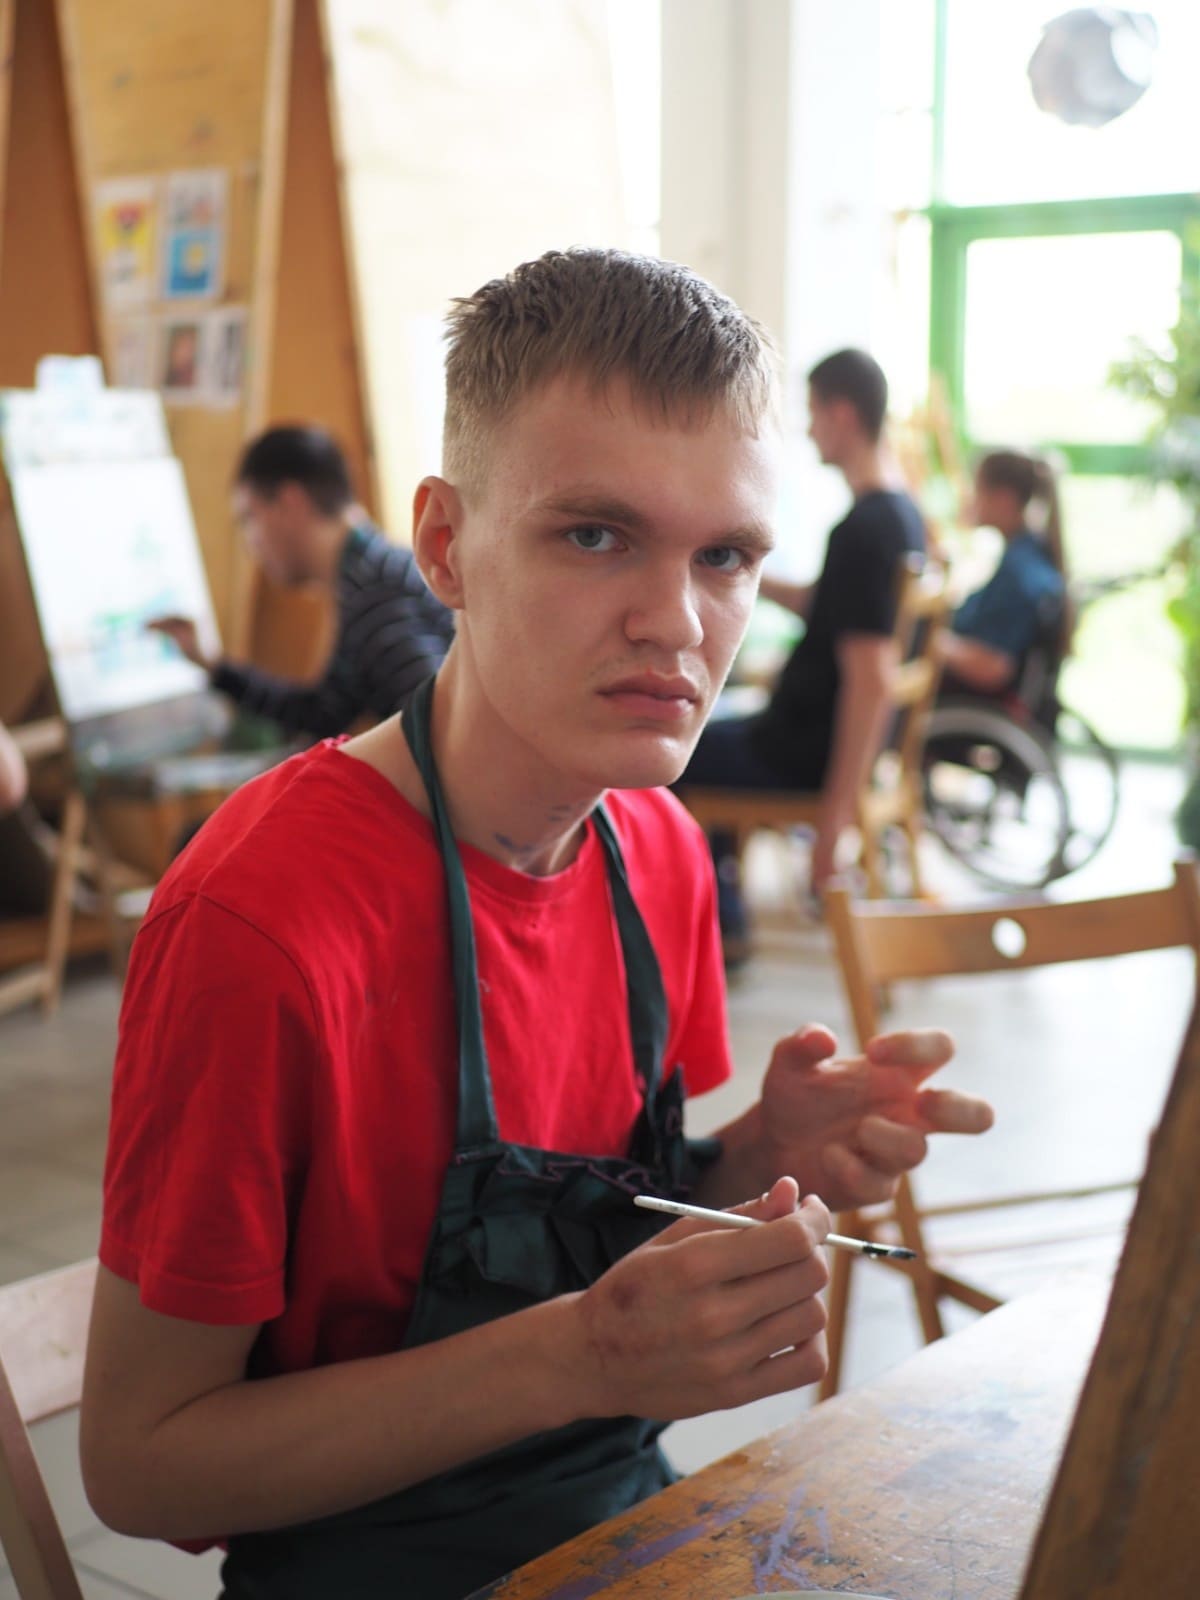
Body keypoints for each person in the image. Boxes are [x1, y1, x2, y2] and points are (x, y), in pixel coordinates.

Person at [81, 250, 993, 1600]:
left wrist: (756, 1156)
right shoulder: (259, 922)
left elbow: (593, 1222)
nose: (677, 623)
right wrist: (579, 1356)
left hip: (625, 1528)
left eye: (727, 556)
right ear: (445, 545)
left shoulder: (659, 854)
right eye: (596, 535)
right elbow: (141, 1465)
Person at [678, 348, 926, 947]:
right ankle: (721, 900)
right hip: (804, 737)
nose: (809, 429)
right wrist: (741, 571)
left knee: (671, 750)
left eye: (812, 413)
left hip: (798, 753)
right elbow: (837, 606)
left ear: (842, 415)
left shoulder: (862, 532)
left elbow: (871, 682)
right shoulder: (901, 515)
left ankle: (717, 920)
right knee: (708, 726)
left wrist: (832, 826)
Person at [147, 425, 456, 737]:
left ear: (289, 502)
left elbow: (437, 730)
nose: (249, 544)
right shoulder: (364, 574)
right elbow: (325, 712)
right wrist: (214, 666)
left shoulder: (373, 592)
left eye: (249, 518)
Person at [937, 449, 1068, 699]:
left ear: (1004, 499)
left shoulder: (1020, 574)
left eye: (977, 490)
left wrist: (932, 642)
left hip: (972, 705)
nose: (969, 500)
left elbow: (994, 666)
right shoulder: (1027, 557)